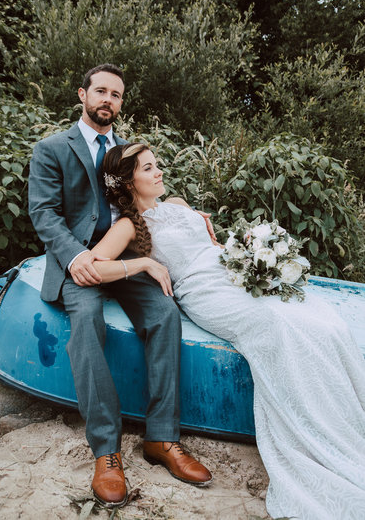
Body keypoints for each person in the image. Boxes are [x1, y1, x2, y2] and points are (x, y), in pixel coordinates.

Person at [90, 141, 365, 520]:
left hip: (231, 276)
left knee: (320, 317)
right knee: (278, 324)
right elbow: (91, 267)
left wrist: (246, 250)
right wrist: (141, 265)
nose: (160, 172)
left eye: (158, 165)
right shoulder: (126, 227)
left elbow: (212, 246)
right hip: (204, 293)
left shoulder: (180, 206)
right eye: (149, 169)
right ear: (128, 182)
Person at [28, 64, 212, 509]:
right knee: (88, 321)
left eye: (116, 94)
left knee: (165, 314)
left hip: (127, 255)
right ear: (83, 95)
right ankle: (106, 451)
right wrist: (77, 259)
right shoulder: (52, 148)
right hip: (78, 263)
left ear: (121, 102)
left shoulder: (124, 150)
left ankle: (162, 438)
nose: (108, 99)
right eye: (101, 91)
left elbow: (147, 195)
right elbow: (44, 213)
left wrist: (188, 214)